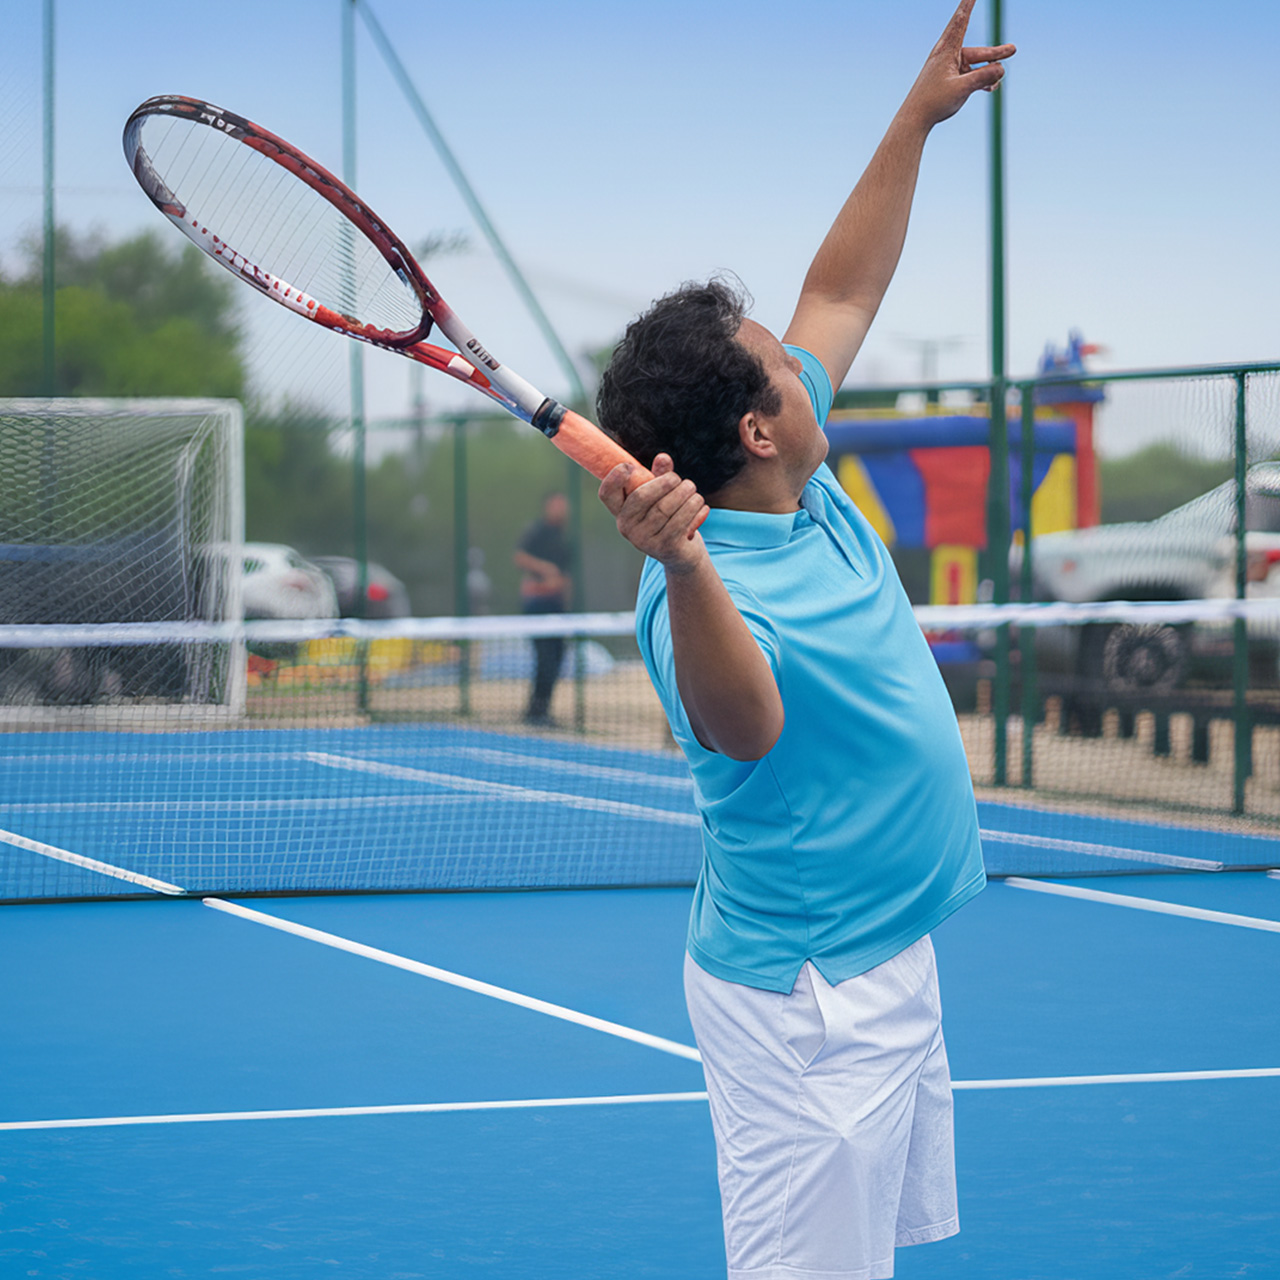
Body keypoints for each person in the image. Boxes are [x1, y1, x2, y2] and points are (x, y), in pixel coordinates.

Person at [595, 3, 1014, 1276]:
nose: (803, 354)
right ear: (760, 430)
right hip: (806, 1004)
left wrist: (915, 116)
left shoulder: (802, 479)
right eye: (781, 362)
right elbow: (746, 727)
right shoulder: (690, 591)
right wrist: (678, 562)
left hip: (891, 950)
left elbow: (841, 282)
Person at [514, 491, 572, 726]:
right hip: (536, 605)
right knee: (545, 658)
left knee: (557, 657)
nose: (561, 508)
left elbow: (566, 577)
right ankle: (534, 711)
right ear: (548, 506)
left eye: (564, 505)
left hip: (556, 606)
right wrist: (544, 569)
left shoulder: (565, 538)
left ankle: (542, 709)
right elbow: (519, 556)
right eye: (557, 504)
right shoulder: (536, 531)